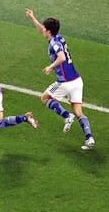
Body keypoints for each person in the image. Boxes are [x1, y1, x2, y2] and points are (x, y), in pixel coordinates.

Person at [25, 8, 95, 150]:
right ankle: (89, 138)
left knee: (45, 98)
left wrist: (50, 67)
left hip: (65, 82)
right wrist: (33, 18)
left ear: (48, 31)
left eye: (44, 28)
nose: (43, 30)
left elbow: (62, 57)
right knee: (78, 111)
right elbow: (43, 31)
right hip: (77, 80)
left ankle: (66, 116)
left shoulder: (53, 44)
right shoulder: (58, 37)